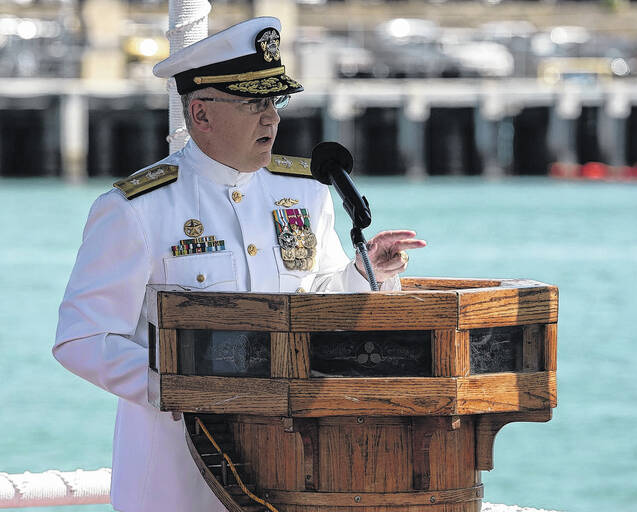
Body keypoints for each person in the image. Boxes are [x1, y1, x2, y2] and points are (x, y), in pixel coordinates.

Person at [53, 16, 426, 512]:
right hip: (175, 475)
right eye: (254, 104)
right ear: (201, 114)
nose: (271, 118)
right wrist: (182, 384)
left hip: (292, 467)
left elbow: (317, 298)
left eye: (275, 102)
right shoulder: (137, 208)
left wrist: (366, 273)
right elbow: (81, 340)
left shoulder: (305, 191)